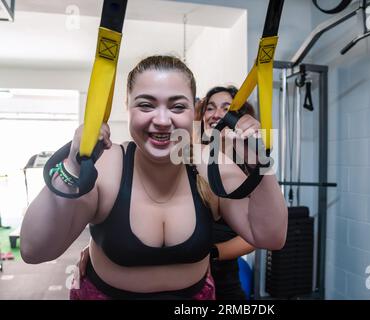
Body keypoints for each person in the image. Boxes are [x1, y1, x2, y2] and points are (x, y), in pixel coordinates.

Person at [20, 56, 288, 300]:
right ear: (127, 107)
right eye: (146, 104)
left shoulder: (209, 165)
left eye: (177, 106)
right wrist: (72, 163)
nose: (162, 120)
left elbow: (270, 237)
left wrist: (260, 161)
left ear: (191, 111)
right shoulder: (108, 163)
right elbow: (34, 250)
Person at [196, 86, 257, 300]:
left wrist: (211, 254)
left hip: (225, 285)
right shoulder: (188, 159)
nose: (216, 114)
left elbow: (256, 236)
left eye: (226, 108)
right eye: (209, 108)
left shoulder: (248, 167)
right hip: (184, 286)